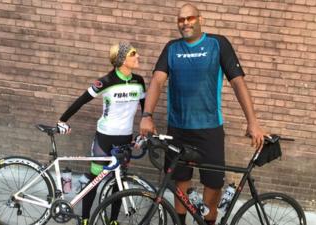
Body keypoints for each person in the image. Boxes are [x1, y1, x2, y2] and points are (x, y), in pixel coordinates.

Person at [139, 3, 268, 225]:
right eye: (181, 19)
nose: (185, 22)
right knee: (180, 180)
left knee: (213, 183)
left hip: (210, 128)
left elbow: (238, 83)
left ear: (200, 19)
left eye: (190, 18)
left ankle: (208, 221)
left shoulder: (218, 44)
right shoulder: (171, 48)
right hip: (177, 129)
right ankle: (180, 221)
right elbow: (157, 81)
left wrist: (253, 122)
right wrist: (147, 115)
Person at [57, 42, 145, 225]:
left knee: (119, 181)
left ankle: (113, 220)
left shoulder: (139, 81)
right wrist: (62, 120)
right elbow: (82, 100)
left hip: (125, 139)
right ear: (121, 59)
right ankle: (85, 219)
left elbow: (145, 113)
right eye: (133, 54)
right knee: (95, 180)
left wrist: (142, 135)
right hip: (104, 138)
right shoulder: (106, 81)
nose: (138, 57)